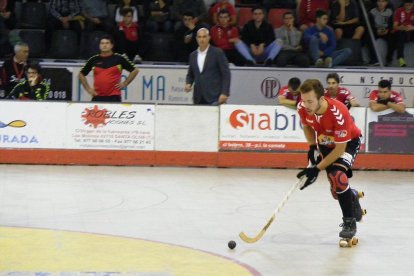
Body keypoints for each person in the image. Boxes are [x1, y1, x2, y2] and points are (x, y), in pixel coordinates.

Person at [296, 79, 364, 244]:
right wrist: (312, 146)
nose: (306, 105)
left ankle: (349, 223)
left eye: (310, 101)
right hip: (325, 144)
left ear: (321, 98)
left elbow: (340, 149)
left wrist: (316, 169)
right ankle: (352, 195)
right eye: (304, 101)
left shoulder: (338, 112)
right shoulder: (303, 107)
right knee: (337, 192)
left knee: (338, 178)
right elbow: (306, 125)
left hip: (348, 143)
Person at [79, 35, 139, 102]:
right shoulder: (93, 59)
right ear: (99, 45)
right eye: (102, 43)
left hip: (114, 97)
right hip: (97, 96)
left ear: (111, 45)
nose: (104, 45)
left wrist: (125, 83)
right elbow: (81, 74)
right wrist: (88, 89)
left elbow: (135, 70)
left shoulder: (119, 58)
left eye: (107, 43)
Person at [185, 28, 231, 105]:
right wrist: (188, 83)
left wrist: (225, 92)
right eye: (199, 37)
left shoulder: (217, 53)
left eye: (204, 37)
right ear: (196, 38)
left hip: (215, 97)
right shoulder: (193, 55)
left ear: (209, 37)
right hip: (198, 97)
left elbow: (226, 74)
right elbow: (190, 74)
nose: (201, 39)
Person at [368, 0, 394, 65]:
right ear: (376, 2)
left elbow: (391, 24)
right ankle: (374, 60)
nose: (381, 3)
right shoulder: (372, 12)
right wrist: (376, 30)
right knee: (368, 38)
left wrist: (387, 30)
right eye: (379, 1)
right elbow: (370, 24)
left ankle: (389, 60)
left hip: (386, 30)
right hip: (375, 30)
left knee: (393, 38)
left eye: (383, 1)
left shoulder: (389, 12)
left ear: (386, 3)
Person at [392, 0, 414, 67]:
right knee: (400, 36)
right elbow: (394, 26)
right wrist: (401, 27)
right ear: (404, 4)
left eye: (410, 5)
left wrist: (412, 28)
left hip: (412, 31)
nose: (408, 6)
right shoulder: (399, 11)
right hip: (402, 31)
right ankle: (401, 59)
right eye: (406, 5)